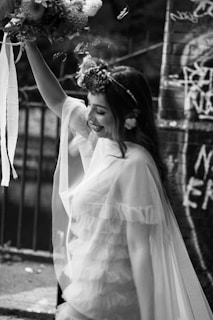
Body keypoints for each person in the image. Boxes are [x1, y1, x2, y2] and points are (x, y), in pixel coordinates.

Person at [25, 42, 213, 320]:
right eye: (89, 106)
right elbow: (57, 101)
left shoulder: (135, 163)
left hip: (111, 301)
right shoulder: (101, 140)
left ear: (129, 118)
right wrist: (28, 39)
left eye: (100, 111)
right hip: (88, 291)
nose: (89, 117)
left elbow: (140, 249)